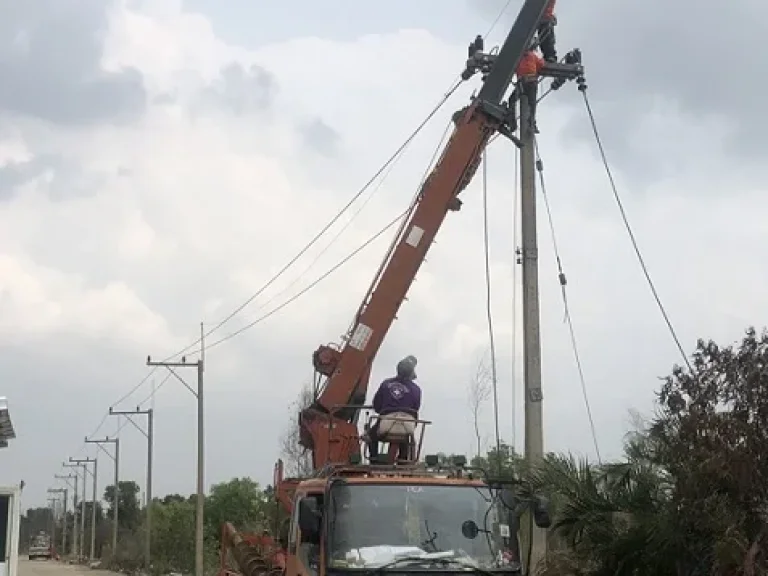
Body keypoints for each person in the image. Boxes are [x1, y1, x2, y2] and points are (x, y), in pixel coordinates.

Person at [367, 355, 422, 462]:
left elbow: (376, 405)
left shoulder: (386, 383)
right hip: (408, 425)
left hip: (386, 424)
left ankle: (374, 459)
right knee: (406, 437)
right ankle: (402, 461)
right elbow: (416, 408)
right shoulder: (416, 389)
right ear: (411, 372)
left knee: (371, 434)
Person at [516, 48, 546, 134]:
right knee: (532, 104)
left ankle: (530, 123)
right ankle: (530, 123)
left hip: (526, 82)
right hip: (529, 82)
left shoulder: (523, 56)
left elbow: (541, 64)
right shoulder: (531, 55)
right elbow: (541, 64)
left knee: (531, 104)